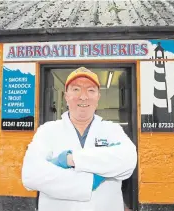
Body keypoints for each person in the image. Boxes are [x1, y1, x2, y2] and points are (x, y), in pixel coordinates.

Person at [21, 67, 137, 211]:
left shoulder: (112, 129)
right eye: (76, 89)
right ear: (66, 96)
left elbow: (128, 161)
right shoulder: (47, 130)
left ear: (98, 97)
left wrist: (71, 159)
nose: (83, 96)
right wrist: (93, 179)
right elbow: (31, 176)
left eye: (91, 90)